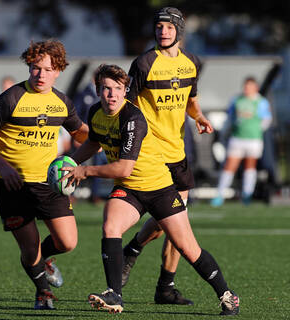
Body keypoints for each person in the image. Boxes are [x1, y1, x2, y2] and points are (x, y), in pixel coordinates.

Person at [63, 63, 239, 316]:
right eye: (105, 88)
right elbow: (93, 142)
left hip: (159, 189)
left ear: (125, 91)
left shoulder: (133, 118)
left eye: (117, 88)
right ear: (98, 90)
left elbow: (123, 168)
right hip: (129, 191)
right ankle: (114, 294)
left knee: (189, 249)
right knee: (110, 227)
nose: (111, 94)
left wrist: (85, 171)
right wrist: (72, 163)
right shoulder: (95, 112)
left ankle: (227, 295)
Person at [0, 39, 89, 310]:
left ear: (58, 70)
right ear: (29, 67)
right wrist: (2, 165)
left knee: (68, 242)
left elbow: (81, 133)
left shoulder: (62, 102)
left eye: (47, 69)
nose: (40, 75)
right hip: (12, 184)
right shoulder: (9, 98)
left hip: (49, 183)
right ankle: (43, 293)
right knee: (29, 248)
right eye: (35, 68)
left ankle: (44, 261)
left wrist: (102, 139)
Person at [121, 7, 212, 306]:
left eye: (169, 27)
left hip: (178, 154)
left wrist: (199, 118)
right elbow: (127, 107)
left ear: (179, 31)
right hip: (151, 155)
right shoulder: (144, 63)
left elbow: (191, 101)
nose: (163, 32)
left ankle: (158, 280)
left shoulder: (191, 63)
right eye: (159, 27)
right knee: (173, 221)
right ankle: (154, 274)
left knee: (172, 224)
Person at [211, 76, 272, 207]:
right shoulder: (237, 100)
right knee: (230, 166)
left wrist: (256, 130)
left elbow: (266, 120)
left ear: (256, 87)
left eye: (250, 86)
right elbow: (230, 118)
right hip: (237, 138)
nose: (247, 89)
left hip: (254, 140)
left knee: (250, 167)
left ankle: (247, 194)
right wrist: (225, 132)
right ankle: (219, 195)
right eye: (246, 86)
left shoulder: (261, 102)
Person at [74, 77, 109, 204]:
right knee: (76, 163)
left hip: (104, 139)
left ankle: (96, 194)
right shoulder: (85, 95)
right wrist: (78, 135)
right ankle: (76, 192)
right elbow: (76, 116)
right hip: (89, 136)